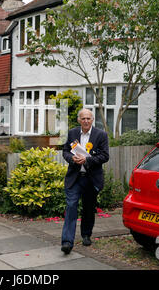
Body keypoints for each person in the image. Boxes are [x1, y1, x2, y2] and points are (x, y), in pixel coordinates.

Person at [61, 108, 109, 254]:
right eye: (83, 118)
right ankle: (67, 242)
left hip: (91, 179)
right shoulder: (72, 133)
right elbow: (65, 151)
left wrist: (87, 160)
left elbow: (105, 156)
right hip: (74, 178)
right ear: (79, 120)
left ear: (92, 119)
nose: (86, 121)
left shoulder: (101, 135)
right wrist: (72, 159)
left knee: (88, 209)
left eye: (88, 118)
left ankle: (86, 234)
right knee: (71, 207)